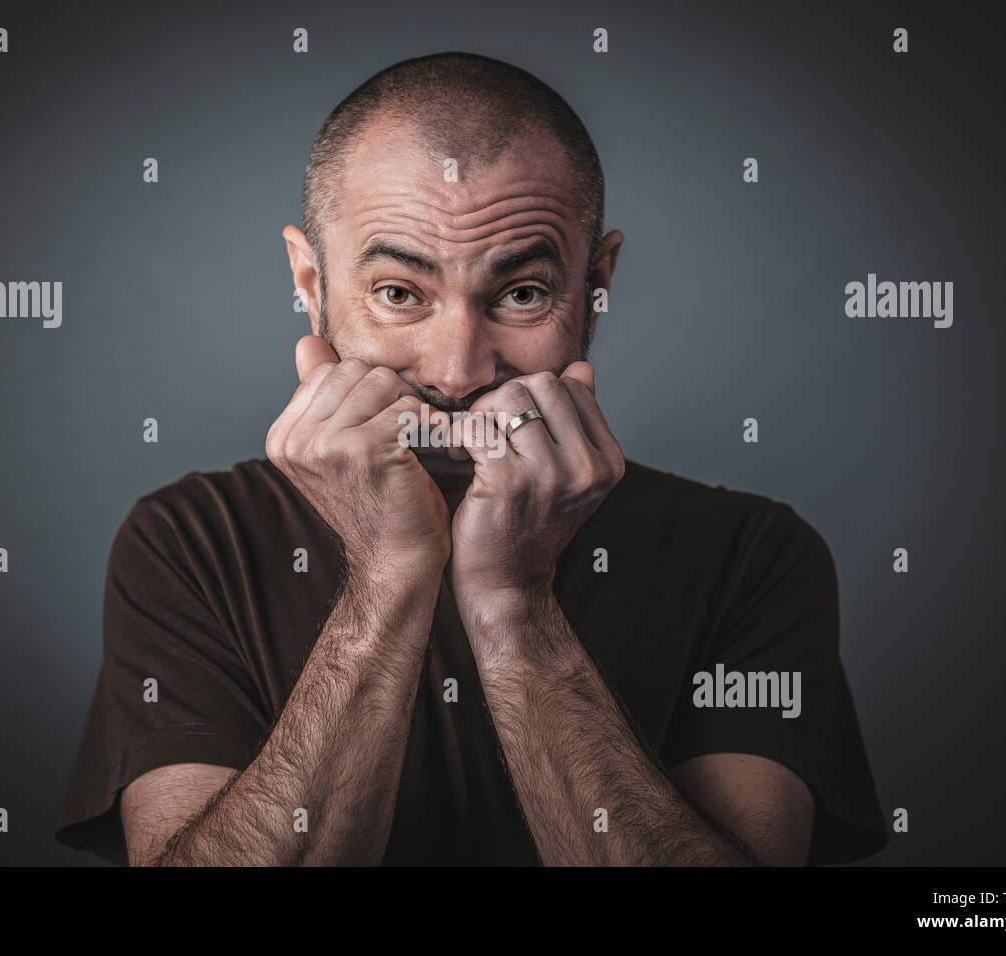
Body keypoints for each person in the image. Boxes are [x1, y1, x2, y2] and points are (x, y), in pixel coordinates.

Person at [55, 51, 889, 866]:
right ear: (309, 284)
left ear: (595, 288)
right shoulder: (189, 542)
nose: (459, 370)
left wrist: (514, 608)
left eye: (522, 293)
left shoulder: (753, 557)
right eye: (397, 294)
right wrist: (387, 577)